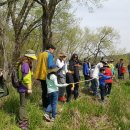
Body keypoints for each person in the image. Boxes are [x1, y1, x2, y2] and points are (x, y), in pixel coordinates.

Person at [17, 49, 37, 130]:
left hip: (21, 87)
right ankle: (22, 124)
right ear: (28, 57)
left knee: (23, 105)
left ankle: (24, 120)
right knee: (23, 106)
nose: (32, 60)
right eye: (31, 58)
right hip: (24, 88)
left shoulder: (21, 63)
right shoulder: (25, 65)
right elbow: (26, 79)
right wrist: (29, 89)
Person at [35, 44, 57, 109]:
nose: (53, 51)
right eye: (53, 49)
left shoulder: (40, 54)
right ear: (50, 48)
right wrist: (56, 67)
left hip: (40, 75)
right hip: (47, 75)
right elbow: (50, 66)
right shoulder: (49, 55)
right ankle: (47, 107)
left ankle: (44, 105)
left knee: (44, 91)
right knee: (48, 91)